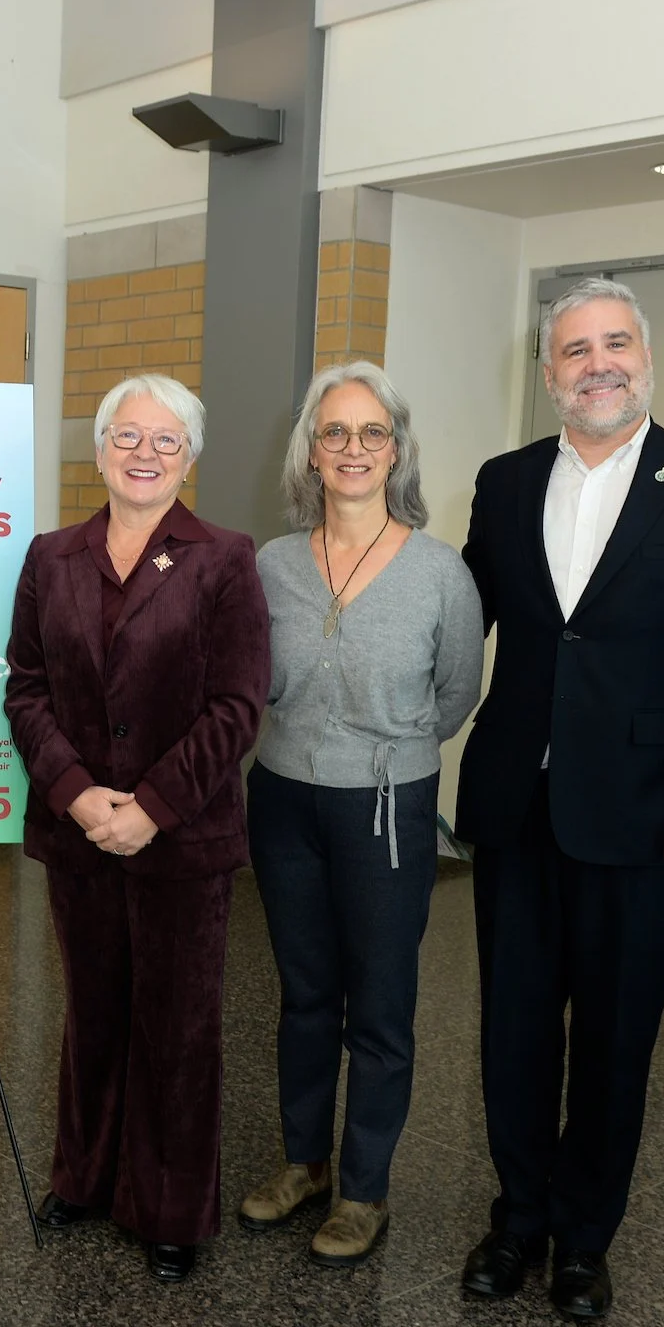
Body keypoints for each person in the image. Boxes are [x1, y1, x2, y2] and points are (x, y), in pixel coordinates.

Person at [456, 277, 664, 1321]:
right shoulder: (503, 483)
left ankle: (584, 1239)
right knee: (513, 1030)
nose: (600, 364)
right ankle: (518, 1218)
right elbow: (462, 616)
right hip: (513, 806)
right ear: (547, 374)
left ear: (646, 356)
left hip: (645, 816)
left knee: (615, 1035)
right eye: (577, 349)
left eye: (617, 343)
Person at [4, 372, 269, 1283]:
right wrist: (80, 794)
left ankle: (166, 1207)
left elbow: (237, 707)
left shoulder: (225, 558)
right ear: (100, 448)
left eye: (165, 440)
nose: (145, 453)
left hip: (183, 838)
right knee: (94, 1012)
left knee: (179, 1025)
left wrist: (150, 807)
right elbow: (26, 689)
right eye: (128, 436)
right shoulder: (51, 557)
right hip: (78, 831)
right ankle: (83, 1179)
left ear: (189, 456)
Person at [236, 363, 483, 1266]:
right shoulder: (268, 565)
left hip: (386, 803)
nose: (352, 449)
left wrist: (392, 753)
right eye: (333, 432)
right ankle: (302, 1160)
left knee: (378, 1003)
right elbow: (249, 683)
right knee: (304, 993)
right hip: (284, 798)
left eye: (370, 432)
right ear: (310, 449)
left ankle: (363, 1187)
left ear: (397, 449)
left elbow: (457, 691)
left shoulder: (440, 572)